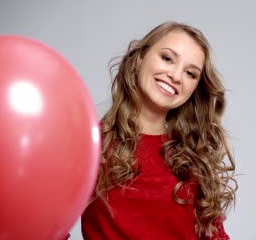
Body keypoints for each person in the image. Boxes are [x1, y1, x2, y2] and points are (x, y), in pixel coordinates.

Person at [81, 21, 237, 240]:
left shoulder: (193, 157)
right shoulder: (92, 144)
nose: (175, 76)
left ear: (195, 89)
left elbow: (214, 236)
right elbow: (49, 223)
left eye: (190, 73)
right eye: (167, 58)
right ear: (140, 57)